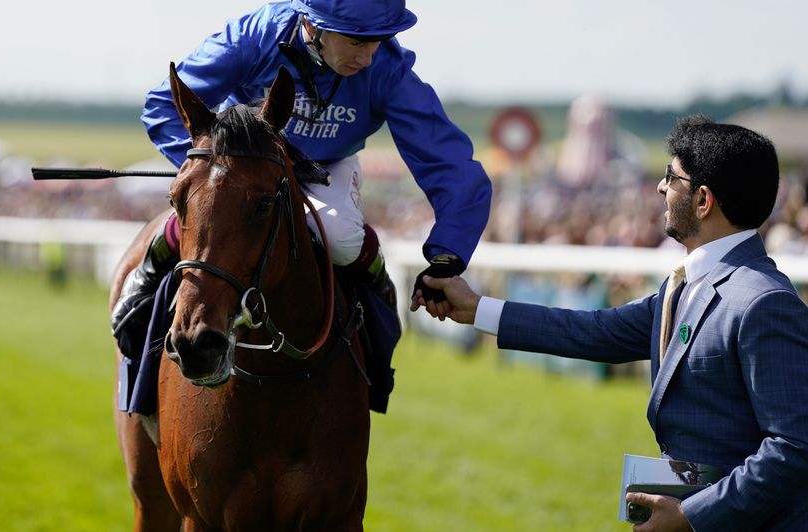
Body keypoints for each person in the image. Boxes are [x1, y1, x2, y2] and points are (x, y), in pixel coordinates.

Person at [412, 116, 808, 531]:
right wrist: (477, 308)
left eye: (671, 177)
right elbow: (594, 331)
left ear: (703, 200)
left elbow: (795, 445)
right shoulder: (688, 284)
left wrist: (692, 516)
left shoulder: (763, 301)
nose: (660, 187)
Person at [112, 0, 492, 364]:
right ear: (313, 24)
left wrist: (446, 257)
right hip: (240, 165)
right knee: (217, 210)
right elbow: (164, 104)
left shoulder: (387, 68)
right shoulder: (254, 36)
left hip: (327, 166)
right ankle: (150, 269)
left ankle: (377, 296)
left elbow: (449, 163)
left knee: (341, 238)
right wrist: (213, 173)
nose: (367, 58)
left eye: (378, 41)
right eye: (356, 41)